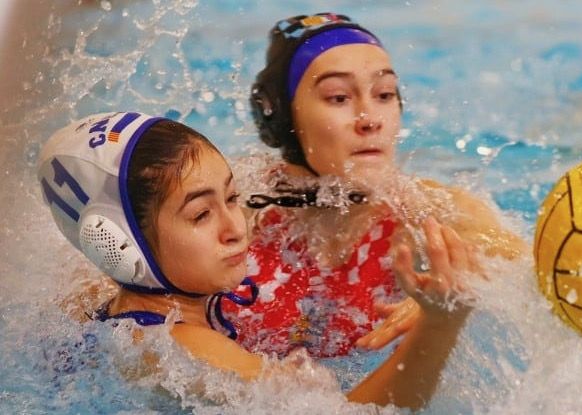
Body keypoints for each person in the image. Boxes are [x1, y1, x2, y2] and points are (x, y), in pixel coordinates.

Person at [38, 111, 477, 409]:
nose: (236, 227)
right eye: (201, 214)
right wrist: (441, 324)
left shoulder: (142, 304)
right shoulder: (177, 348)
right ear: (117, 244)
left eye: (232, 197)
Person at [215, 13, 526, 360]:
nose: (370, 119)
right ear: (283, 117)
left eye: (384, 94)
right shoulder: (232, 207)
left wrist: (450, 298)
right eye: (338, 97)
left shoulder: (427, 212)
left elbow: (528, 274)